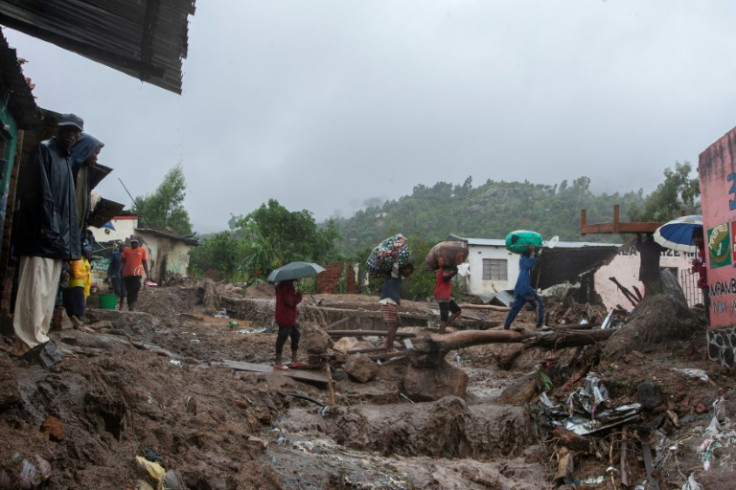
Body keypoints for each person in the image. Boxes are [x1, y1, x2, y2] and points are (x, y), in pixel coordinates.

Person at [11, 113, 84, 360]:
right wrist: (48, 229)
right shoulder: (44, 151)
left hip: (56, 242)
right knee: (35, 291)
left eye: (75, 132)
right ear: (58, 130)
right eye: (67, 130)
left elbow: (69, 210)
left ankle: (39, 336)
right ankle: (28, 343)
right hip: (41, 239)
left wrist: (67, 244)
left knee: (47, 294)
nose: (70, 135)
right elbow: (39, 194)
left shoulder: (66, 160)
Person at [70, 134, 104, 241]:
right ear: (86, 150)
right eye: (96, 153)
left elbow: (84, 214)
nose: (96, 158)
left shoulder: (84, 177)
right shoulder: (68, 170)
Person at [379, 253, 414, 352]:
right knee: (393, 323)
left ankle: (388, 343)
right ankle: (389, 346)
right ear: (403, 269)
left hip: (390, 300)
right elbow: (395, 270)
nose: (408, 273)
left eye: (410, 272)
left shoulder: (397, 276)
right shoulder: (396, 273)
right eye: (408, 270)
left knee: (397, 321)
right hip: (388, 300)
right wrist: (396, 259)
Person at [503, 245, 544, 330]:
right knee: (538, 304)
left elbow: (536, 261)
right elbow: (530, 264)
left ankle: (506, 326)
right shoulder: (524, 258)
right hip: (524, 287)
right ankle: (539, 325)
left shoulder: (523, 258)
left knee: (515, 308)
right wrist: (533, 253)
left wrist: (536, 255)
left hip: (522, 287)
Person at [273, 280, 304, 370]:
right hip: (286, 317)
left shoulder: (282, 285)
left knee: (295, 334)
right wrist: (299, 295)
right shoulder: (287, 286)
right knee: (282, 336)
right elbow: (290, 301)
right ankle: (278, 361)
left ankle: (294, 359)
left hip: (286, 316)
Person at [62, 245, 93, 329]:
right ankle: (77, 322)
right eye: (89, 253)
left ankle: (77, 321)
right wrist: (86, 274)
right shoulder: (78, 260)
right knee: (77, 306)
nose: (90, 255)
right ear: (86, 252)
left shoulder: (84, 260)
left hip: (81, 285)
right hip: (76, 285)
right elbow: (76, 274)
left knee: (79, 304)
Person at [119, 237, 149, 311]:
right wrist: (119, 271)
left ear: (138, 243)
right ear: (131, 243)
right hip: (127, 274)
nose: (134, 244)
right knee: (129, 291)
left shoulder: (142, 251)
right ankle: (130, 306)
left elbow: (144, 262)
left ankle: (133, 304)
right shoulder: (126, 250)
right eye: (132, 242)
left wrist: (147, 273)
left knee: (135, 289)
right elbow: (123, 261)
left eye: (135, 242)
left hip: (137, 274)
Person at [434, 266, 461, 334]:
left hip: (445, 294)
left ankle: (442, 328)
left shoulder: (446, 267)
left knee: (457, 311)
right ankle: (441, 334)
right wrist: (454, 273)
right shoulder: (445, 267)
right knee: (444, 317)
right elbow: (445, 278)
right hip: (442, 293)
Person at [691, 227, 710, 321]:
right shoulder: (701, 252)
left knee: (709, 310)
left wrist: (696, 264)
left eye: (699, 237)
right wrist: (697, 267)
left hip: (707, 284)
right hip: (705, 285)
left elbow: (705, 269)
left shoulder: (704, 252)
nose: (696, 240)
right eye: (694, 237)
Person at [107, 242, 126, 310]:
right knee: (118, 291)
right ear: (119, 247)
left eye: (124, 246)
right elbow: (111, 264)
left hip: (124, 276)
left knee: (123, 293)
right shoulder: (115, 254)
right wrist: (109, 274)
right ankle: (115, 306)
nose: (122, 247)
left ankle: (121, 308)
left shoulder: (126, 255)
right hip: (115, 275)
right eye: (121, 246)